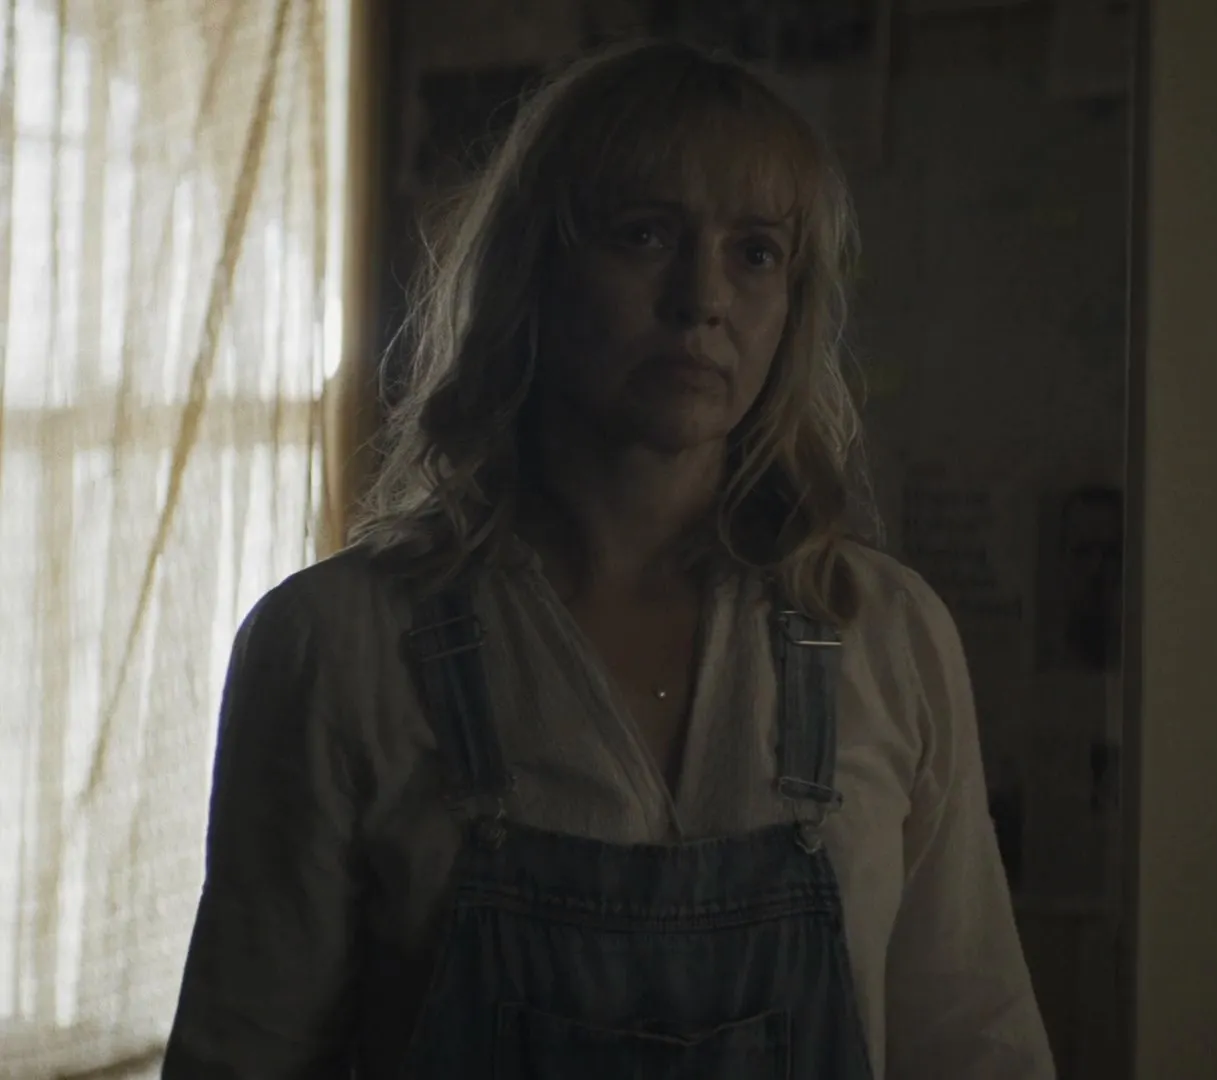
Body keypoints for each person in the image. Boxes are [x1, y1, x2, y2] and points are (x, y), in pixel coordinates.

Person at [162, 38, 1053, 1080]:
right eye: (645, 234)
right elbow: (245, 1053)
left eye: (755, 252)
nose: (701, 299)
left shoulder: (881, 633)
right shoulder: (340, 643)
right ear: (534, 267)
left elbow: (974, 1042)